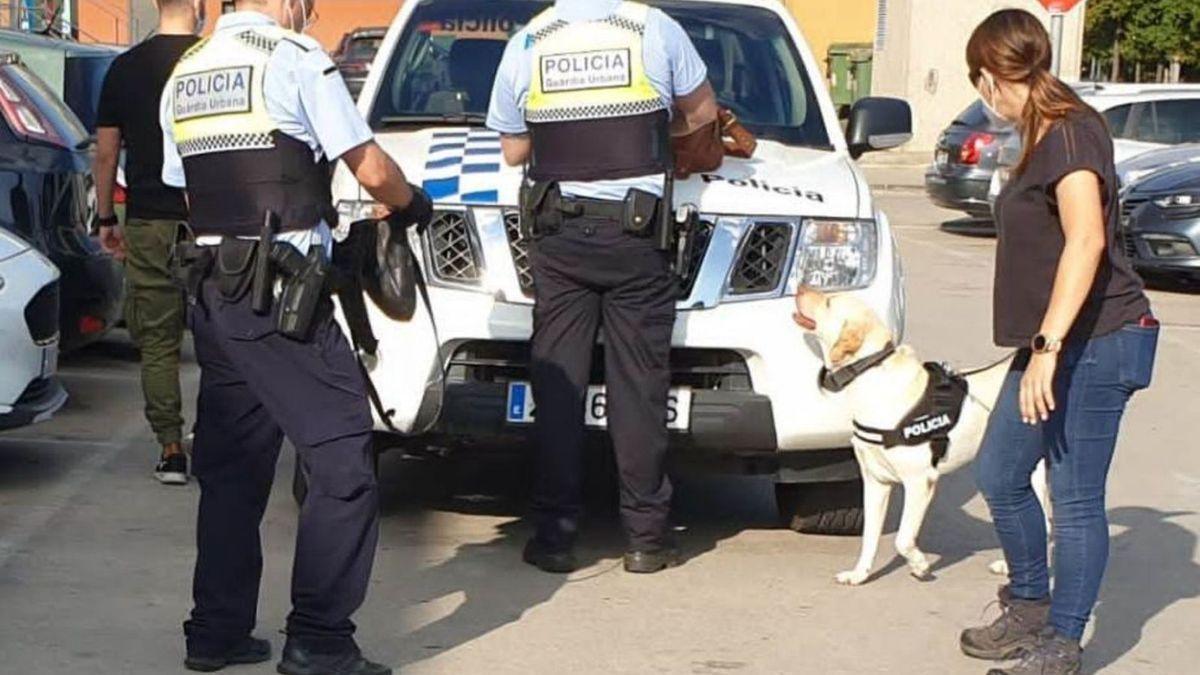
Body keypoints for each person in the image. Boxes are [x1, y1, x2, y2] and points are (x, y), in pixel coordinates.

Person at [159, 1, 431, 673]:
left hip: (214, 288)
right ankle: (320, 637)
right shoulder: (293, 59)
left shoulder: (186, 73)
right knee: (342, 460)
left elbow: (186, 191)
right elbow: (368, 165)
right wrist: (411, 203)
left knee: (232, 467)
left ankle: (216, 631)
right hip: (281, 294)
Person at [487, 0, 719, 575]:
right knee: (638, 387)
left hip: (558, 235)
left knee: (559, 384)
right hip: (636, 236)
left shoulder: (529, 41)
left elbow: (513, 149)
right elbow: (704, 112)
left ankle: (554, 537)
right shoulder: (653, 28)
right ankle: (645, 539)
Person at [958, 10, 1159, 675]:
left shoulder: (1071, 132)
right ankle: (1029, 603)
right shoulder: (1044, 135)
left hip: (1098, 340)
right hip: (1055, 341)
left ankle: (1062, 643)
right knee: (999, 471)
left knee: (1073, 500)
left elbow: (1087, 239)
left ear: (989, 77)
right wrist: (1039, 346)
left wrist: (1046, 347)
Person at [94, 0, 204, 485]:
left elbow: (105, 153)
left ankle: (171, 448)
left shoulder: (124, 68)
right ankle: (224, 444)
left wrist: (104, 217)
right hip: (213, 221)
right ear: (199, 6)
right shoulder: (212, 61)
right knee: (224, 340)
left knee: (158, 343)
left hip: (148, 221)